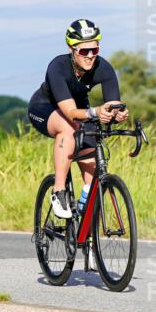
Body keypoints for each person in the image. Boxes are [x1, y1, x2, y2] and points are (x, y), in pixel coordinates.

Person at [28, 19, 129, 219]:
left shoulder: (104, 68)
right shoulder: (58, 67)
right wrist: (96, 112)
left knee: (92, 157)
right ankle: (59, 191)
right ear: (72, 49)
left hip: (79, 109)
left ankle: (85, 222)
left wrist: (118, 114)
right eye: (84, 51)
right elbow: (71, 113)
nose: (90, 56)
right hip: (46, 108)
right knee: (68, 128)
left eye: (94, 50)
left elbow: (112, 104)